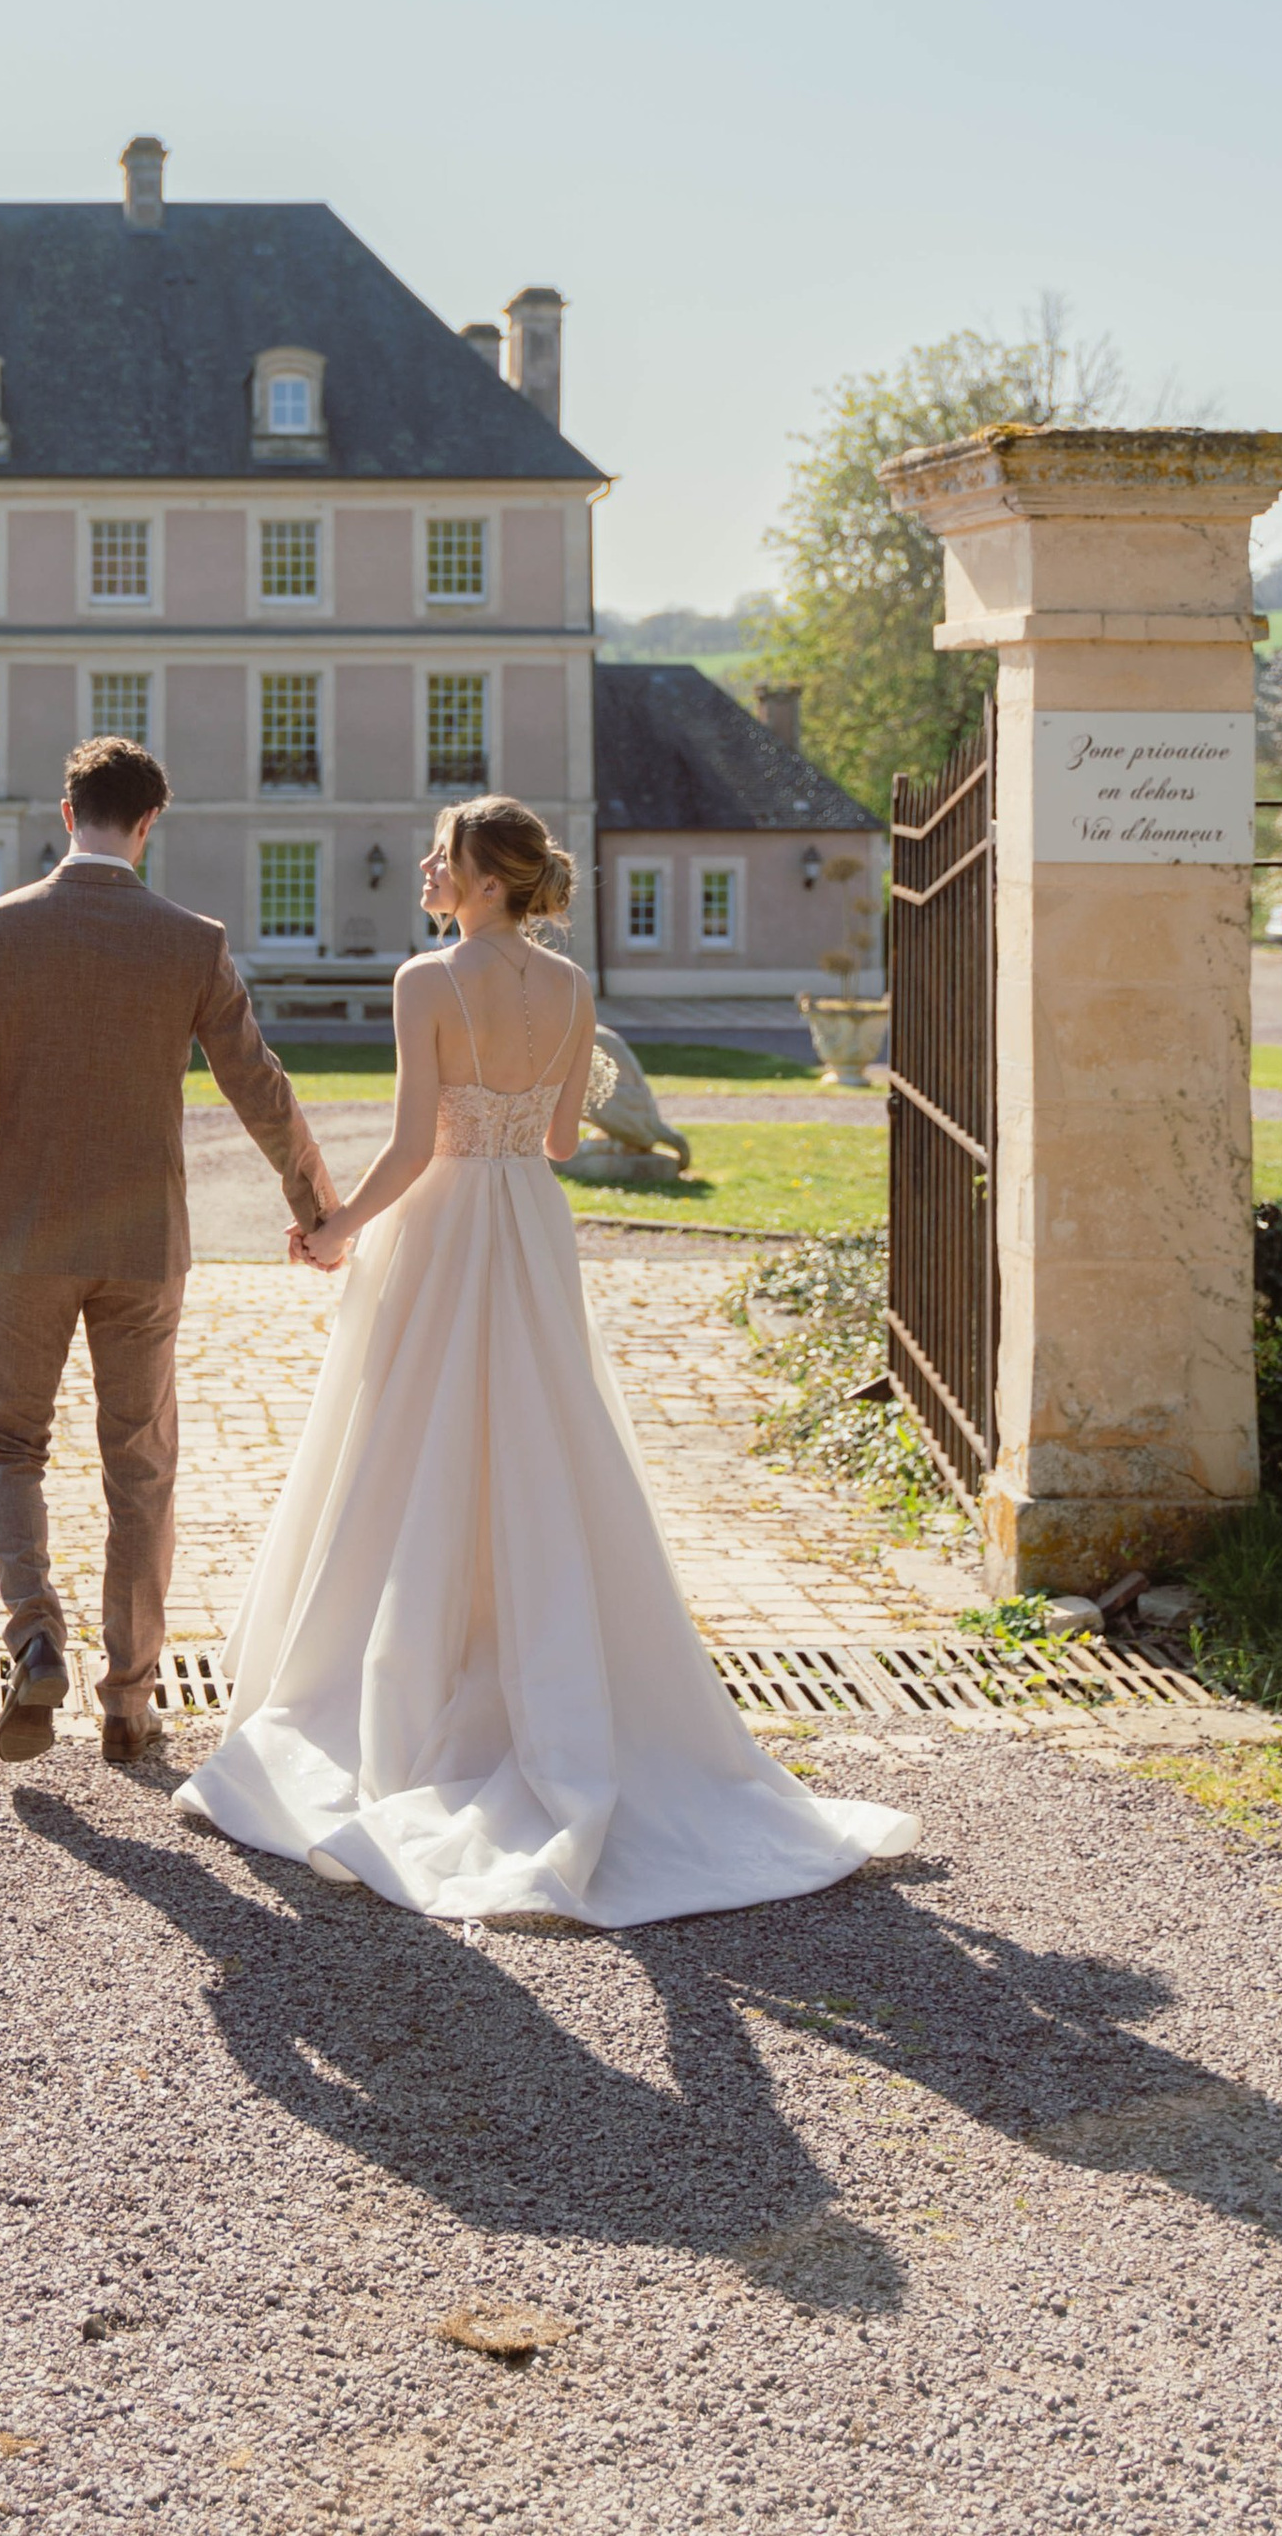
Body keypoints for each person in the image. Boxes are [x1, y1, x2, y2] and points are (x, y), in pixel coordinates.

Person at [173, 793, 918, 1923]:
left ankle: (417, 1689)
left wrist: (338, 1227)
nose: (425, 865)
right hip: (528, 1217)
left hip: (445, 1222)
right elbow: (564, 1139)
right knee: (538, 1436)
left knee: (409, 1442)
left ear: (482, 883)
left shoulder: (425, 981)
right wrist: (514, 1115)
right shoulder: (572, 989)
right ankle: (539, 1674)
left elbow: (417, 1139)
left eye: (443, 854)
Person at [0, 735, 336, 1770]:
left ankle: (30, 1631)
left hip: (22, 1234)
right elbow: (260, 1086)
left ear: (66, 815)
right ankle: (129, 1701)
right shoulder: (189, 941)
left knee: (9, 1445)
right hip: (146, 1243)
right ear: (148, 823)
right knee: (139, 1468)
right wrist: (316, 1206)